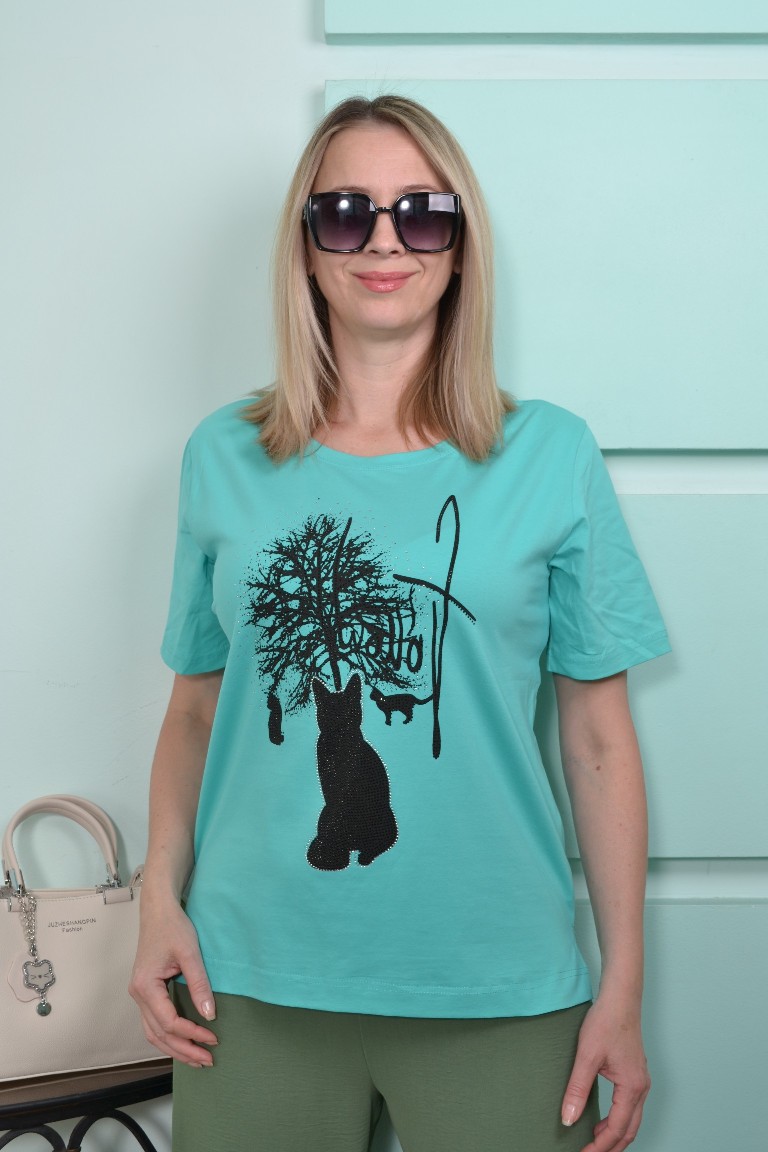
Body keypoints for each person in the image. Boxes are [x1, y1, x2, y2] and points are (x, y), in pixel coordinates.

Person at [130, 95, 670, 1152]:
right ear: (307, 247)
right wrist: (158, 903)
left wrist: (625, 984)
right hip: (249, 981)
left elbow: (600, 740)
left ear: (461, 248)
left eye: (422, 212)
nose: (385, 241)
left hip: (498, 984)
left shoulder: (550, 454)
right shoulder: (224, 456)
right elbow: (195, 711)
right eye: (346, 213)